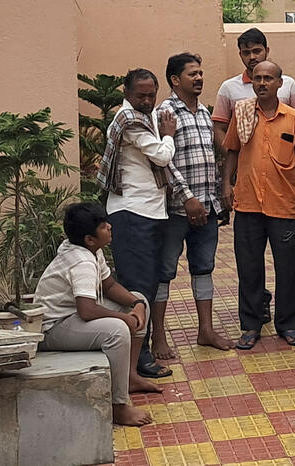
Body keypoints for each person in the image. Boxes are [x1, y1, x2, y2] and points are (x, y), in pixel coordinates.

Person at [212, 27, 295, 321]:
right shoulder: (241, 107)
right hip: (248, 200)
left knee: (288, 265)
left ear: (279, 83)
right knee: (249, 266)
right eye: (257, 78)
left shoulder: (294, 116)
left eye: (267, 78)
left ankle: (288, 324)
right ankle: (250, 324)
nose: (261, 81)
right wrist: (227, 184)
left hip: (283, 200)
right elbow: (232, 147)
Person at [35, 203, 161, 427]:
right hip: (53, 327)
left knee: (139, 299)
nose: (110, 227)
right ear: (89, 239)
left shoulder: (93, 251)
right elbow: (87, 310)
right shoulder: (82, 261)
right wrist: (125, 319)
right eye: (104, 227)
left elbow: (109, 285)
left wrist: (137, 303)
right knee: (117, 331)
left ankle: (129, 377)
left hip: (73, 316)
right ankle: (117, 407)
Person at [150, 53, 232, 360]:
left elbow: (211, 158)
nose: (199, 78)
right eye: (192, 74)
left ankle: (206, 331)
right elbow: (163, 160)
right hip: (175, 209)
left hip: (206, 207)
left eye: (200, 73)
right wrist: (187, 198)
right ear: (175, 80)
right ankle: (158, 338)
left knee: (204, 268)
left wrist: (217, 194)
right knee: (164, 271)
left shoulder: (204, 112)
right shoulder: (165, 113)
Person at [97, 67, 176, 379]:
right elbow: (161, 156)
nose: (146, 100)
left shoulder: (146, 117)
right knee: (137, 288)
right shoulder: (129, 120)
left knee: (150, 284)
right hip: (131, 213)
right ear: (126, 94)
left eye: (151, 95)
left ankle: (136, 356)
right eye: (140, 95)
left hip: (151, 211)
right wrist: (168, 134)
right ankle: (137, 361)